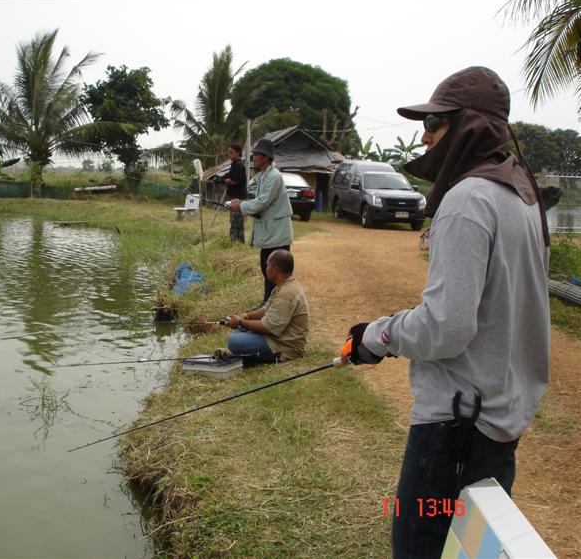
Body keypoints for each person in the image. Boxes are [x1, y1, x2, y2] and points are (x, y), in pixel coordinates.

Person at [340, 66, 551, 558]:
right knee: (469, 550)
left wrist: (374, 337)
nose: (424, 135)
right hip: (500, 424)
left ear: (470, 127)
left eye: (435, 125)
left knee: (420, 545)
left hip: (453, 432)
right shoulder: (522, 195)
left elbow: (446, 327)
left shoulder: (468, 200)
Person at [228, 139, 293, 303]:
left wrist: (241, 206)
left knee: (277, 273)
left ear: (266, 157)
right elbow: (252, 188)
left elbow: (263, 202)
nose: (254, 158)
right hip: (270, 234)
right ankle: (268, 304)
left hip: (277, 234)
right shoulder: (263, 175)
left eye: (256, 155)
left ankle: (275, 306)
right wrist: (241, 202)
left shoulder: (274, 177)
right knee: (268, 271)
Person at [225, 249, 308, 364]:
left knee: (234, 341)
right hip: (277, 338)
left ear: (275, 270)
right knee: (239, 332)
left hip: (285, 347)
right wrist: (245, 316)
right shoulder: (284, 285)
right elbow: (266, 309)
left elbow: (269, 328)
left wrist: (241, 322)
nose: (266, 268)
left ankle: (253, 356)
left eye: (267, 265)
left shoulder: (286, 293)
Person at [221, 142, 248, 243]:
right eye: (228, 152)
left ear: (238, 153)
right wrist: (221, 179)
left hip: (239, 198)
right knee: (233, 222)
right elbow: (228, 176)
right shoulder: (234, 164)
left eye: (231, 152)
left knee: (238, 223)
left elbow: (233, 181)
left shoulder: (239, 165)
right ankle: (233, 242)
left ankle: (239, 243)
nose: (229, 154)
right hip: (234, 197)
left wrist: (226, 181)